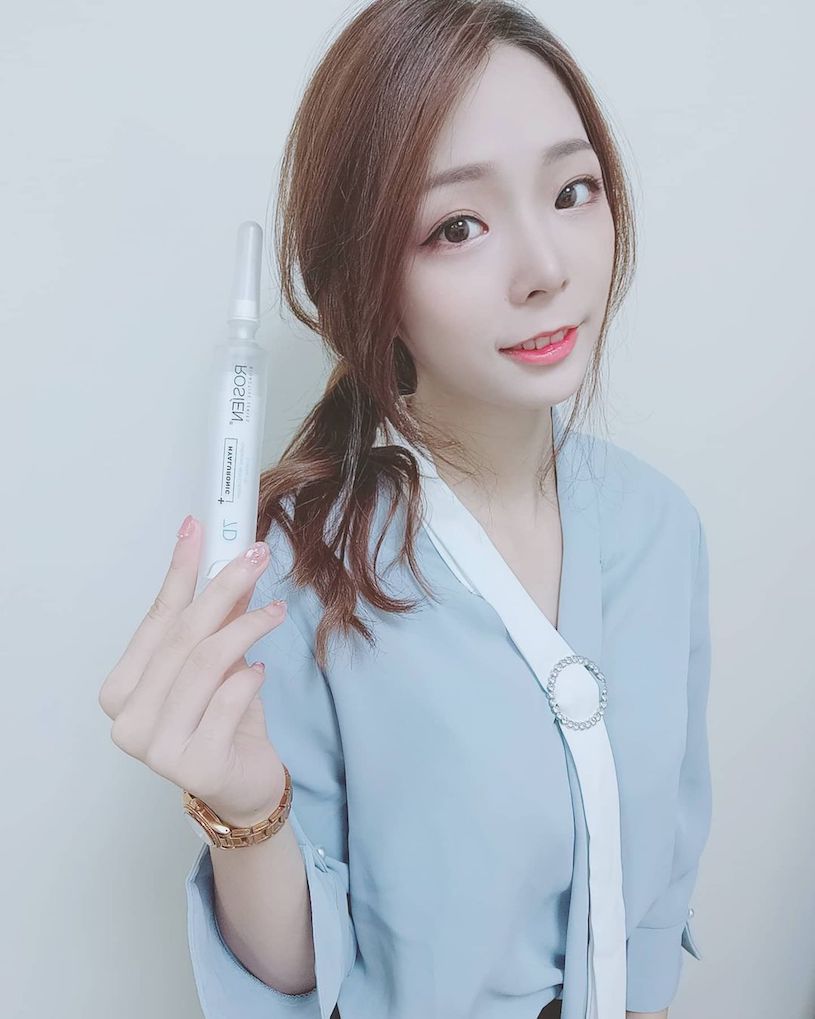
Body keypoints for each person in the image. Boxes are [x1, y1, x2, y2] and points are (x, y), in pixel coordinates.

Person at [99, 2, 712, 1017]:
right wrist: (247, 810)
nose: (545, 268)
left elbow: (655, 897)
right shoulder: (298, 576)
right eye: (457, 226)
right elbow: (302, 973)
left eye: (572, 190)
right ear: (366, 278)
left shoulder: (660, 528)